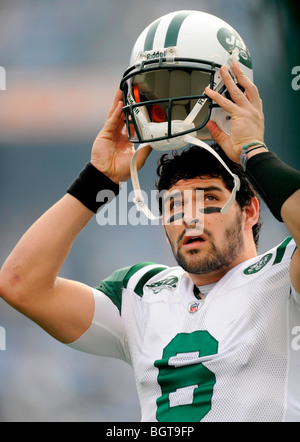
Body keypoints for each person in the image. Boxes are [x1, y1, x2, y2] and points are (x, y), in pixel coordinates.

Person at [1, 21, 300, 423]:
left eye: (210, 198)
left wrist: (254, 153)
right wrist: (98, 180)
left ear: (249, 209)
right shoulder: (141, 293)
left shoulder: (284, 276)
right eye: (174, 204)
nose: (189, 216)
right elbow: (20, 284)